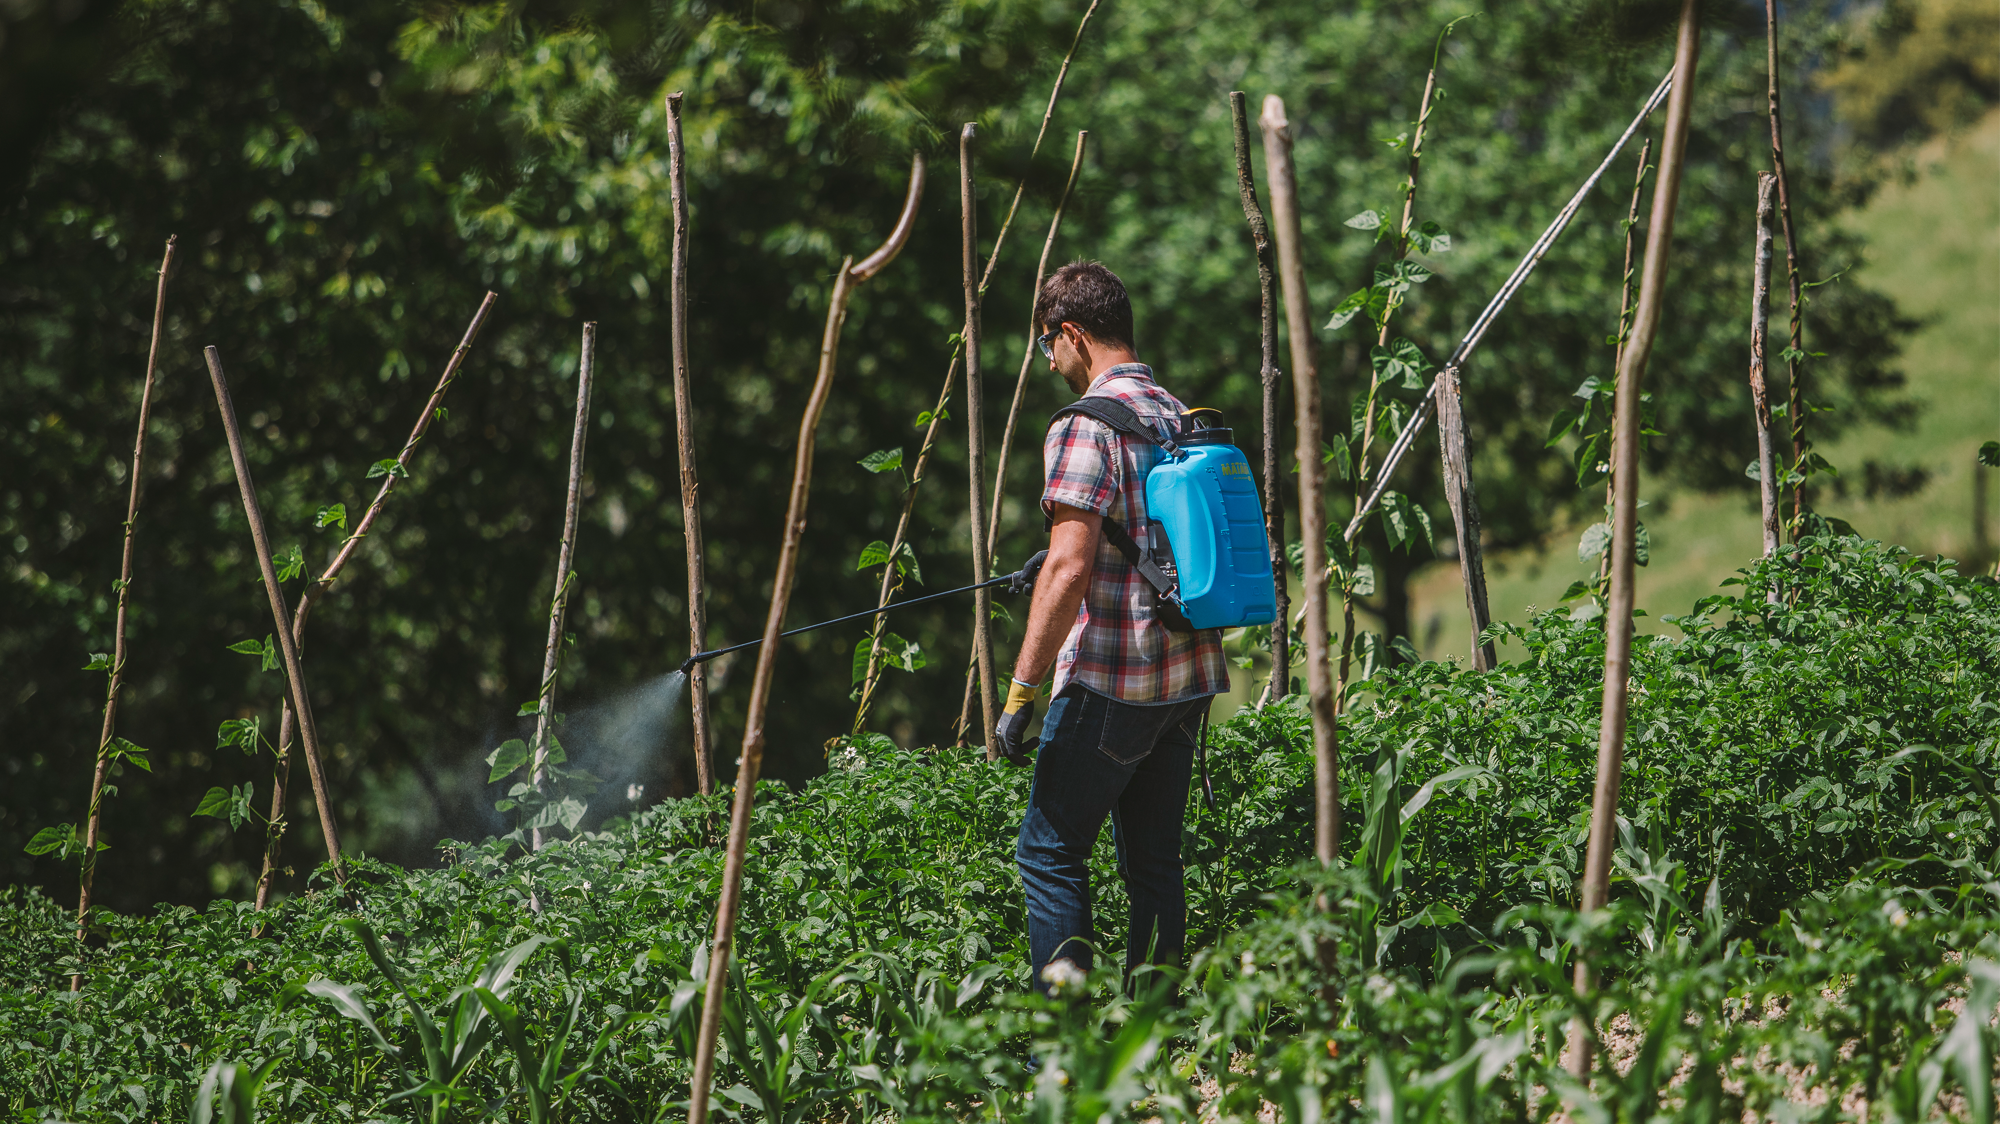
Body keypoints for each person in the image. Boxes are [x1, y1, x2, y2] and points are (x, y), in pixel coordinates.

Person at [995, 260, 1228, 994]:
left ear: (1069, 333)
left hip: (1111, 682)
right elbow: (1144, 537)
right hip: (1186, 677)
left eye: (1046, 346)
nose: (1049, 362)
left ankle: (1063, 1057)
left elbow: (1068, 572)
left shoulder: (1082, 426)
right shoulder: (1175, 414)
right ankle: (1157, 1035)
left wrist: (1020, 696)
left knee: (1049, 854)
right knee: (1154, 860)